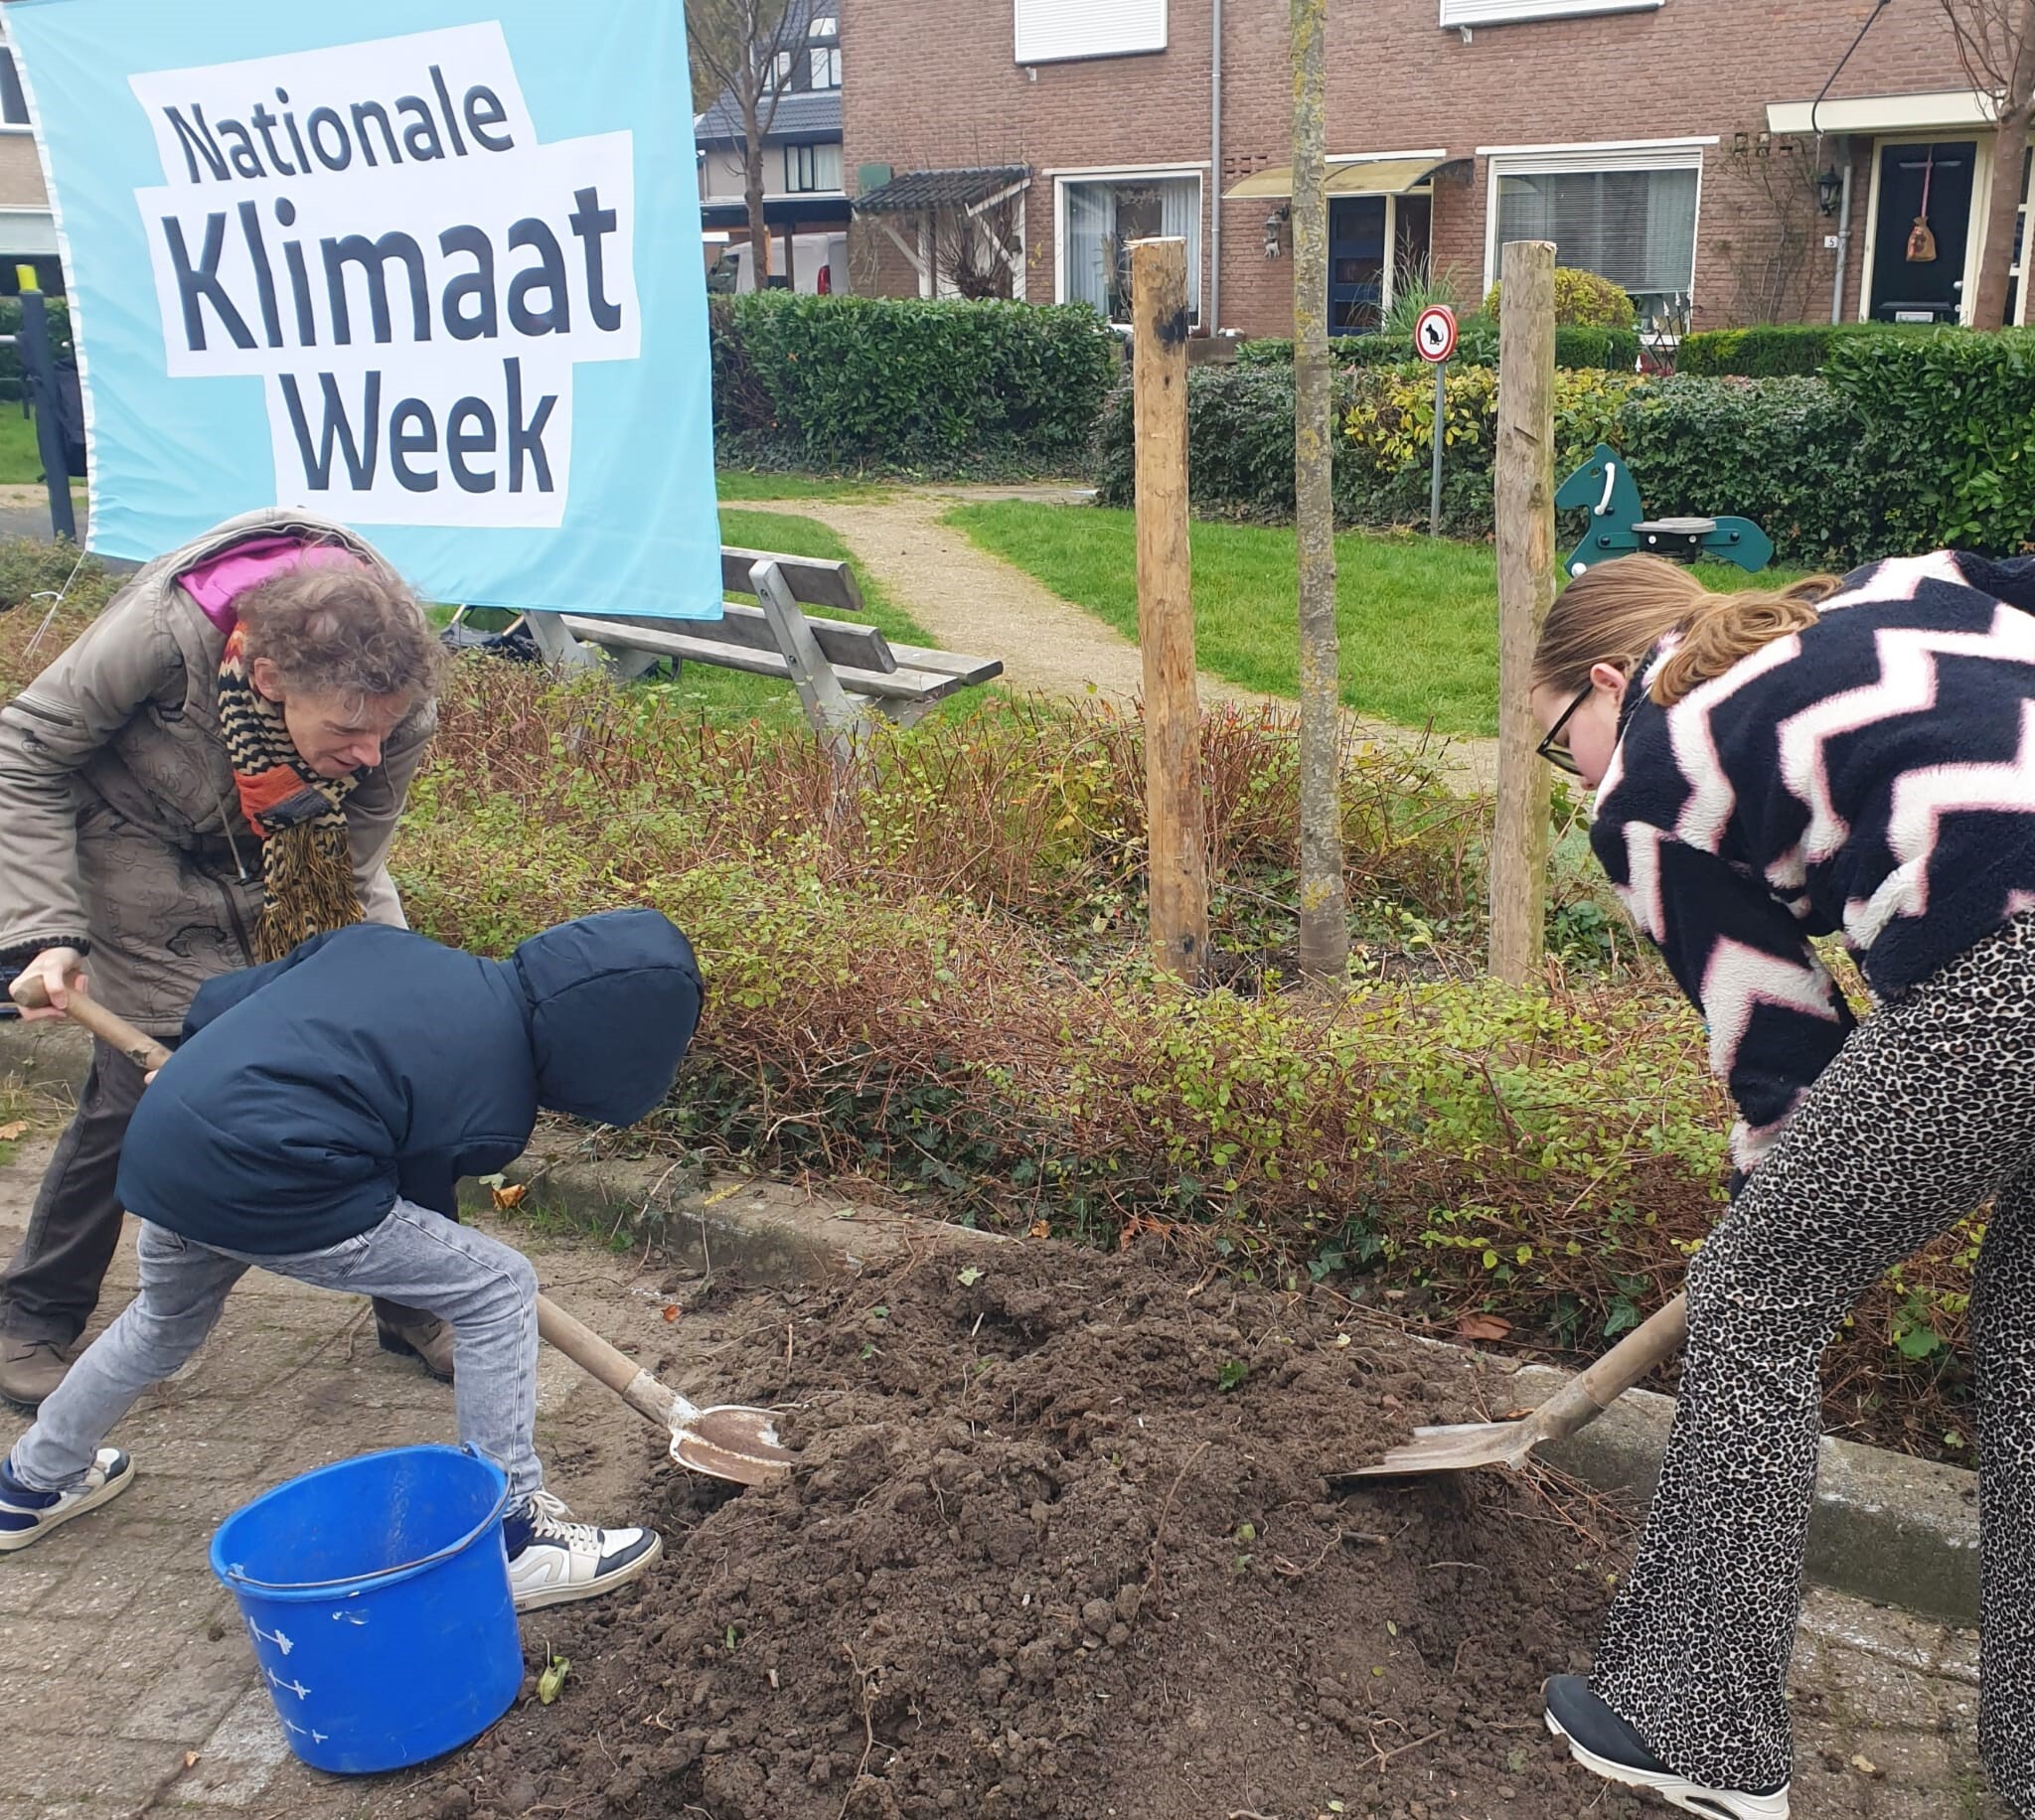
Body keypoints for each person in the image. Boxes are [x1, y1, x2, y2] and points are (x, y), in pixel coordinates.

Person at [1529, 549, 2035, 1820]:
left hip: (2010, 969)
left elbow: (1783, 1054)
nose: (1575, 776)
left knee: (1755, 1298)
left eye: (1557, 743)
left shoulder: (1651, 774)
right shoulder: (1892, 584)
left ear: (1607, 681)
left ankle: (1693, 1721)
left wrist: (1763, 1214)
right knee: (2027, 1334)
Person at [0, 907, 705, 1610]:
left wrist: (206, 1074)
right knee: (497, 1288)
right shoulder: (495, 1095)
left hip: (172, 1141)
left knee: (162, 1322)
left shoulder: (384, 947)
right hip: (273, 1176)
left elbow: (222, 1002)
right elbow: (421, 1198)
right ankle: (511, 1541)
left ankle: (31, 1484)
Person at [0, 511, 451, 1405]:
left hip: (299, 846)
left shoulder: (393, 703)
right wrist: (44, 930)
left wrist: (345, 983)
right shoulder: (167, 635)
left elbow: (349, 853)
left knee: (395, 1057)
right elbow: (25, 753)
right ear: (273, 678)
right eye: (348, 731)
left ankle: (419, 1301)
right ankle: (32, 1315)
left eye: (383, 734)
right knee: (152, 1081)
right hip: (138, 842)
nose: (369, 755)